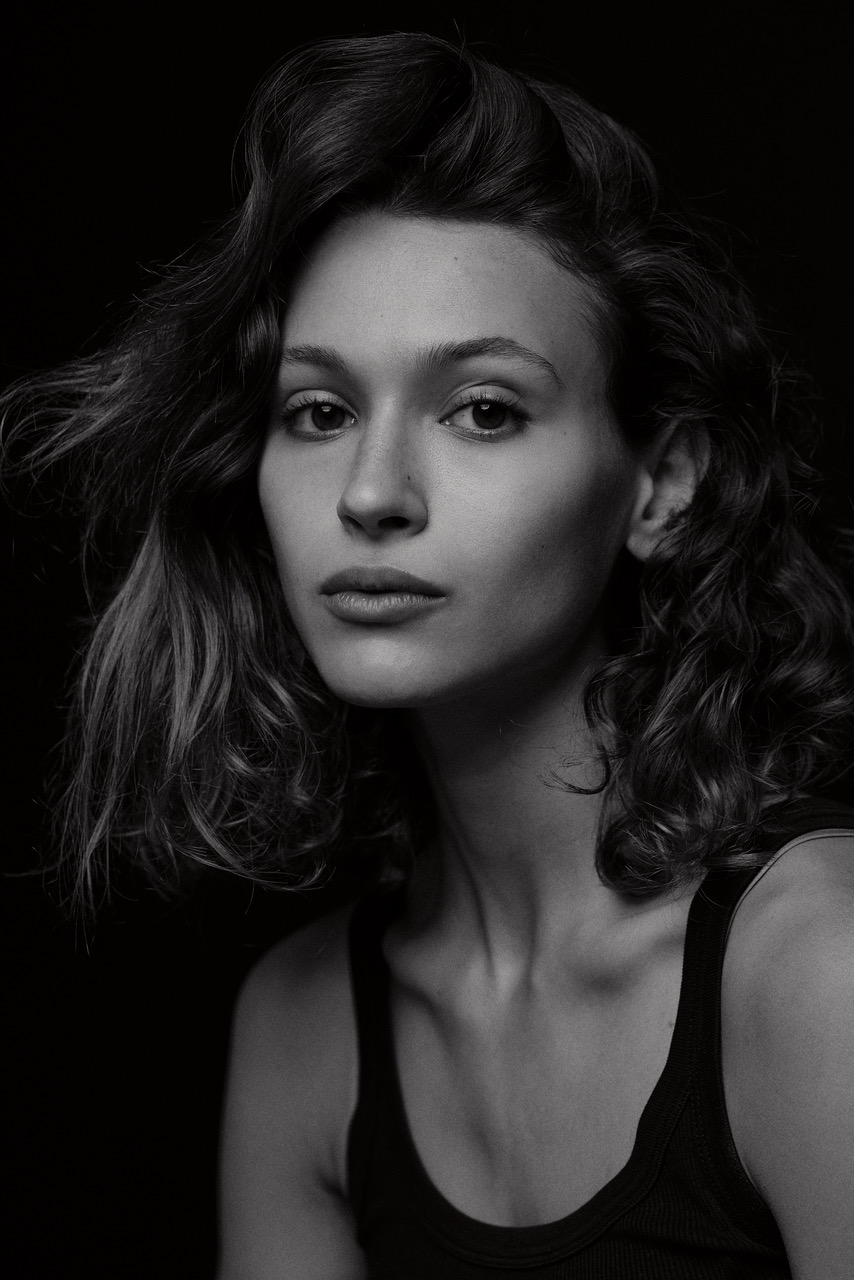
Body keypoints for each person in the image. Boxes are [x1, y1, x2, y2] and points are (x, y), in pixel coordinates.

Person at [3, 31, 853, 1279]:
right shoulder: (306, 1032)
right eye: (319, 411)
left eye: (482, 410)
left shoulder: (818, 971)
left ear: (661, 484)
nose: (371, 491)